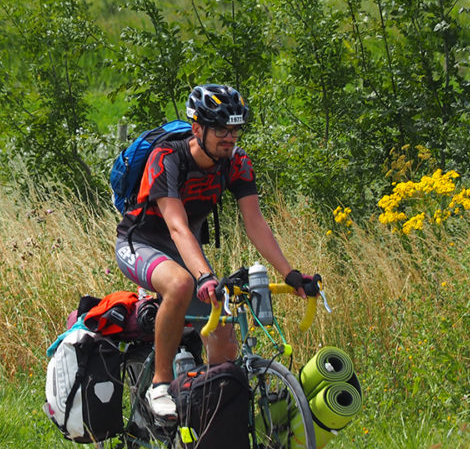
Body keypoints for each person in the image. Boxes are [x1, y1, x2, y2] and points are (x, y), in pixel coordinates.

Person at [114, 83, 319, 431]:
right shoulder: (167, 158)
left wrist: (290, 274)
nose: (230, 137)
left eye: (235, 130)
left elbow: (254, 222)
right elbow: (177, 227)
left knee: (223, 334)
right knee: (180, 284)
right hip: (142, 245)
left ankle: (212, 444)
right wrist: (205, 277)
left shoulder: (236, 162)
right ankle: (159, 386)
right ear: (197, 128)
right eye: (222, 130)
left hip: (187, 251)